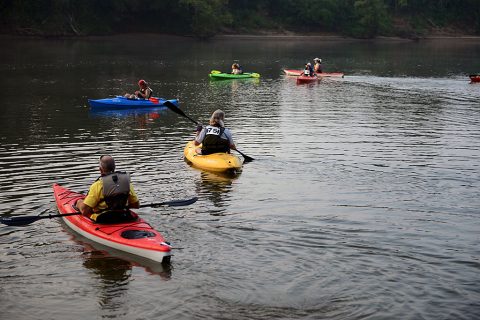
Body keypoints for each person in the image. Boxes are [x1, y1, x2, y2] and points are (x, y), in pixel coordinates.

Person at [76, 155, 140, 224]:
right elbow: (136, 205)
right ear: (114, 168)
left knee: (80, 202)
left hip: (104, 220)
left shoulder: (98, 185)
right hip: (124, 217)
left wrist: (78, 202)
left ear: (100, 169)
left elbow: (84, 211)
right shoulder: (126, 182)